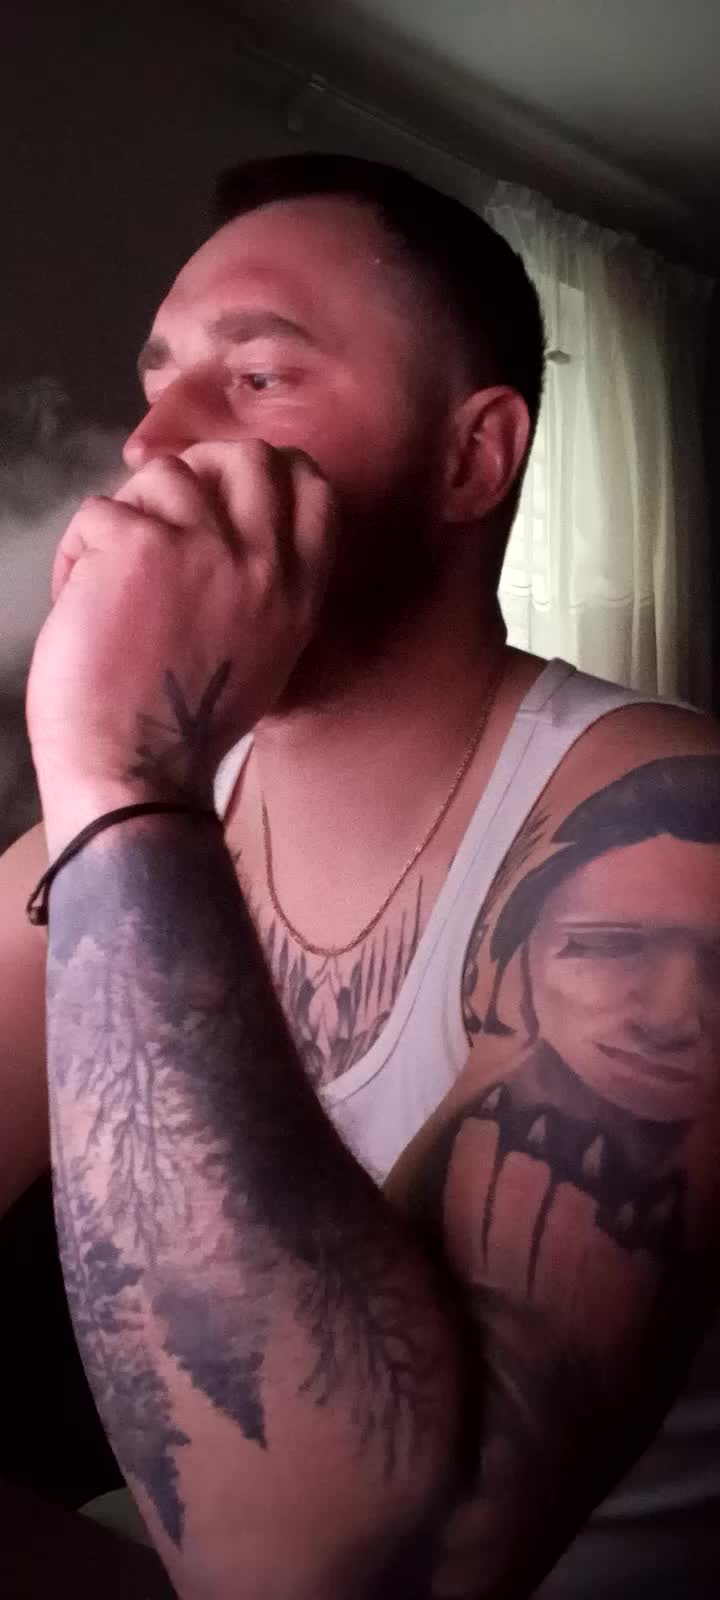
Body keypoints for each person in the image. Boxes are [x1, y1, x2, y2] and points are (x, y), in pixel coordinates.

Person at [3, 152, 720, 1599]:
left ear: (472, 459)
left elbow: (349, 1573)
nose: (151, 444)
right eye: (159, 382)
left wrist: (115, 768)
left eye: (258, 377)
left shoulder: (668, 840)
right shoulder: (167, 806)